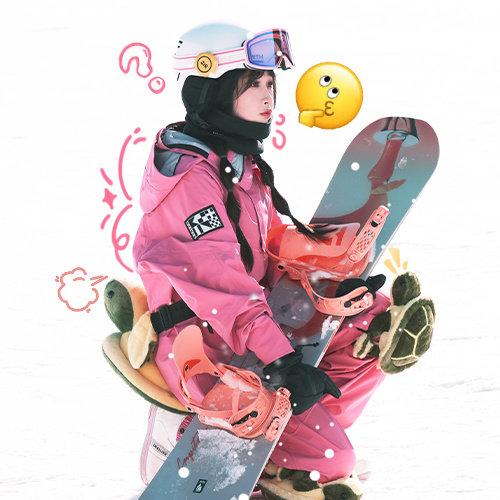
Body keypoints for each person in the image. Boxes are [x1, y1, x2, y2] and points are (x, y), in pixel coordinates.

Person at [132, 23, 391, 499]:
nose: (268, 95)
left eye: (271, 82)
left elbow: (265, 246)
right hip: (202, 345)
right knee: (332, 463)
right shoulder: (191, 179)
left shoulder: (235, 160)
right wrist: (283, 360)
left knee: (370, 323)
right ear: (211, 87)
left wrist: (326, 283)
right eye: (253, 83)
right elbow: (222, 289)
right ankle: (185, 434)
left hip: (249, 323)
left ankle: (286, 452)